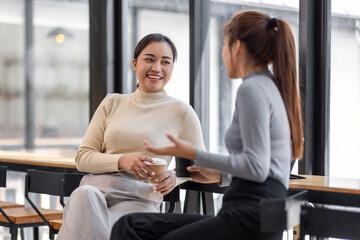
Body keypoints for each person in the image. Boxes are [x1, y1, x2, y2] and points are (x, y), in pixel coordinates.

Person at [110, 10, 303, 240]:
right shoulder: (271, 87)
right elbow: (263, 167)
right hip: (255, 214)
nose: (222, 53)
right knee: (130, 225)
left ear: (237, 47)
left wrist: (192, 153)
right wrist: (219, 173)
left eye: (224, 44)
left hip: (247, 217)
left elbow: (257, 167)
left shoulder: (252, 89)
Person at [56, 33, 205, 240]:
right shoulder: (112, 102)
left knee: (99, 229)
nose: (157, 68)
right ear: (135, 64)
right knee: (82, 195)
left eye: (165, 62)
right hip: (95, 192)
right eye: (149, 59)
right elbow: (83, 158)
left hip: (139, 198)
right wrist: (123, 161)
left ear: (172, 68)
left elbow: (198, 165)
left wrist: (174, 177)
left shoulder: (182, 112)